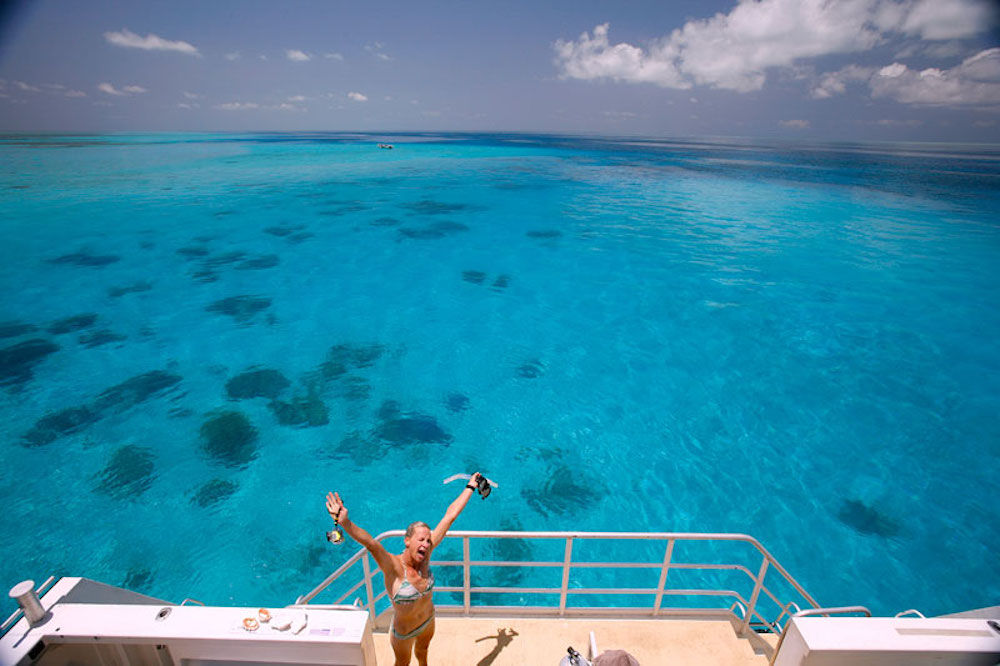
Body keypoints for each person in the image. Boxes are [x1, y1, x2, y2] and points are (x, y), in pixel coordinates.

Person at [325, 473, 483, 666]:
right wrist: (346, 523)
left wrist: (470, 487)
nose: (426, 543)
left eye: (428, 539)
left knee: (423, 654)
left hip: (428, 622)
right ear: (407, 541)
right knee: (403, 663)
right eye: (421, 539)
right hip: (404, 633)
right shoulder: (393, 567)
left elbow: (449, 517)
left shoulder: (426, 555)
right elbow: (372, 544)